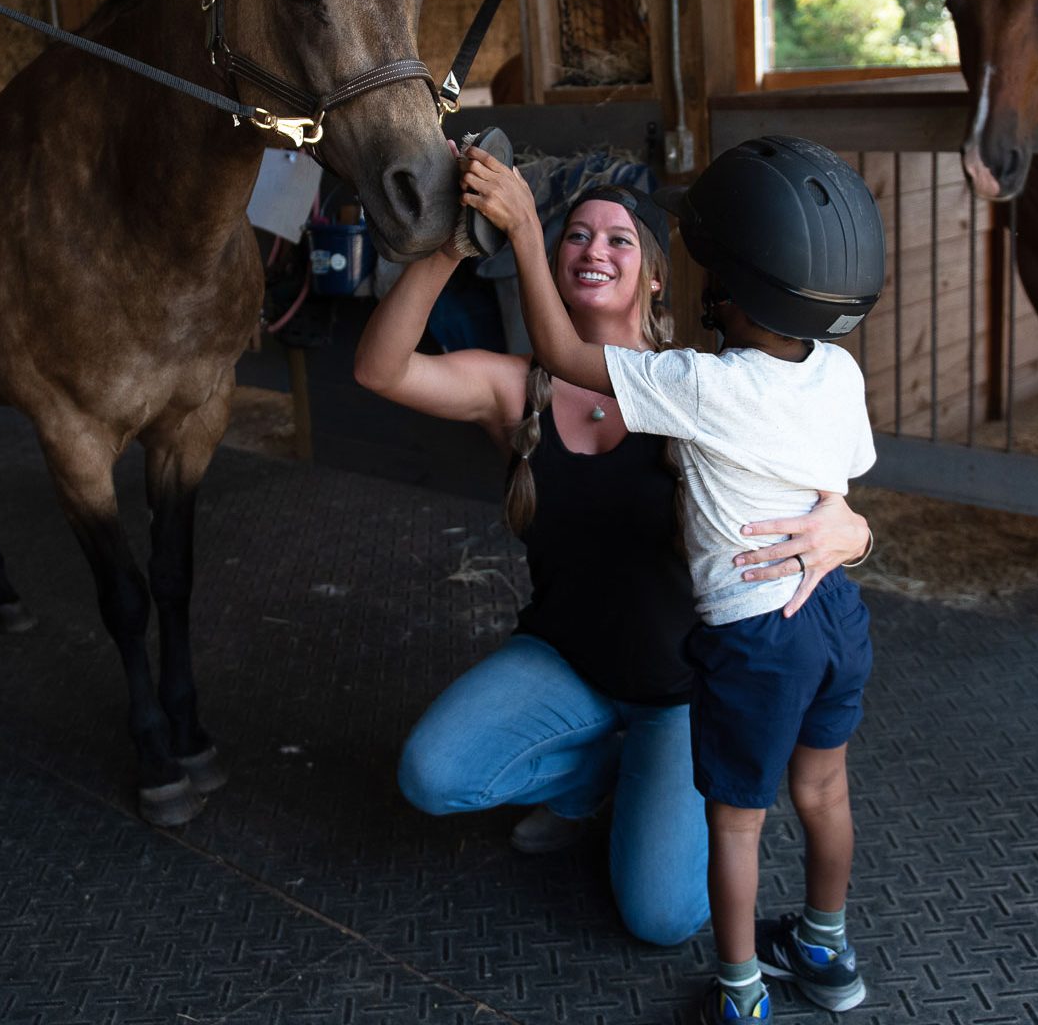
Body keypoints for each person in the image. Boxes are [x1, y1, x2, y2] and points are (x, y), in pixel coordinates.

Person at [355, 180, 872, 948]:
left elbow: (824, 486)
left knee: (663, 918)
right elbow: (380, 369)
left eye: (619, 239)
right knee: (432, 775)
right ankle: (593, 773)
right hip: (565, 659)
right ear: (553, 263)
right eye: (574, 236)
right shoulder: (515, 386)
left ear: (655, 274)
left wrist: (854, 532)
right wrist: (453, 244)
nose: (594, 249)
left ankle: (636, 777)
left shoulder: (697, 385)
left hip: (681, 692)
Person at [463, 135, 885, 1021]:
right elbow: (838, 491)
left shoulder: (698, 384)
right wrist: (848, 533)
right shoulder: (841, 371)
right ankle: (827, 946)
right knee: (824, 790)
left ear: (722, 292)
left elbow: (559, 349)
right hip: (833, 614)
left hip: (750, 636)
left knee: (736, 825)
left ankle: (738, 991)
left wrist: (527, 239)